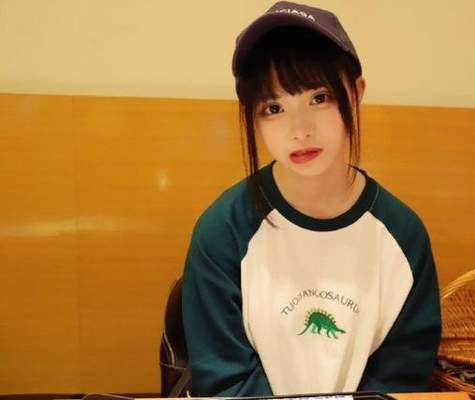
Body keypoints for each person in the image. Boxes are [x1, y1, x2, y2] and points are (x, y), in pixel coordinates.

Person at [181, 1, 441, 397]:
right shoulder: (222, 232)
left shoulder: (403, 235)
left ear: (356, 92)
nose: (300, 130)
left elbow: (402, 380)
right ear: (252, 116)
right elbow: (225, 382)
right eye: (274, 108)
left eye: (319, 98)